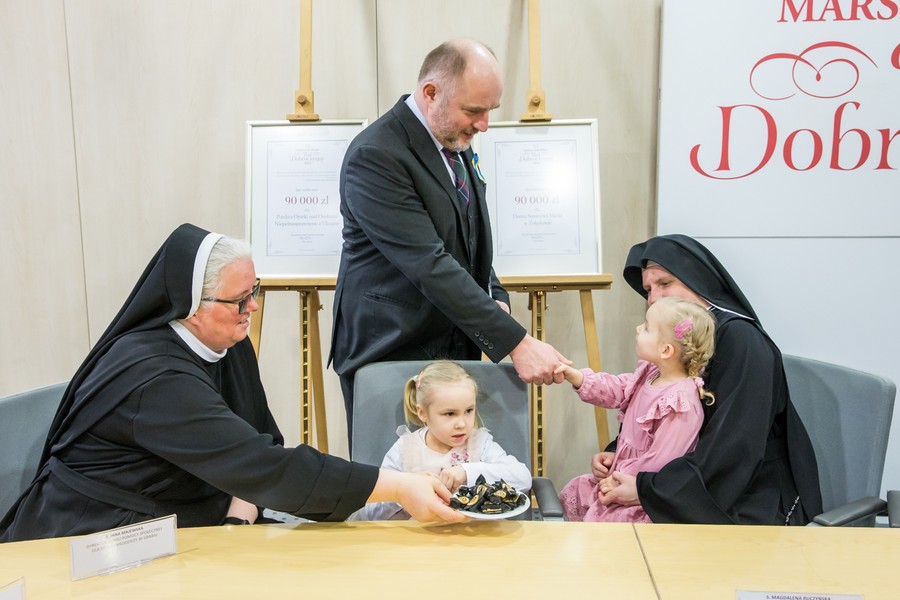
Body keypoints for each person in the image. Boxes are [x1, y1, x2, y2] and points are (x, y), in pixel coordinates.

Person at [0, 223, 467, 543]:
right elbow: (262, 464)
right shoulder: (153, 377)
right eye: (239, 300)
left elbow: (259, 441)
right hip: (95, 535)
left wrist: (238, 517)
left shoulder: (228, 341)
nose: (253, 309)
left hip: (190, 521)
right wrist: (399, 486)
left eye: (255, 291)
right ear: (189, 304)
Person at [329, 38, 568, 436]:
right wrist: (517, 343)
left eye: (490, 111)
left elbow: (468, 240)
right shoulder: (376, 155)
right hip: (392, 353)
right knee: (399, 489)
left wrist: (496, 297)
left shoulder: (453, 144)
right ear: (430, 93)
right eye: (474, 110)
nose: (484, 125)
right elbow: (430, 263)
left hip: (452, 348)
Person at [592, 234, 823, 525]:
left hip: (747, 496)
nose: (653, 298)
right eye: (648, 289)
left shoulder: (742, 341)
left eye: (665, 283)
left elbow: (734, 448)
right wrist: (619, 455)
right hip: (683, 482)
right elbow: (660, 412)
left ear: (699, 279)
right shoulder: (678, 338)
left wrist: (645, 488)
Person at [555, 297, 714, 522]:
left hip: (638, 491)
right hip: (619, 475)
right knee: (576, 489)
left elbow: (662, 460)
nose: (638, 329)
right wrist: (579, 378)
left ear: (666, 350)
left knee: (604, 518)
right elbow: (617, 389)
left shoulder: (680, 402)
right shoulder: (650, 373)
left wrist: (622, 478)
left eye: (647, 327)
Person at [349, 360, 531, 520]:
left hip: (473, 540)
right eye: (449, 414)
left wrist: (467, 471)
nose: (462, 423)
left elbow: (523, 479)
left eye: (469, 410)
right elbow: (371, 513)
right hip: (421, 544)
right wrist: (403, 492)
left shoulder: (479, 443)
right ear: (423, 413)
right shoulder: (406, 449)